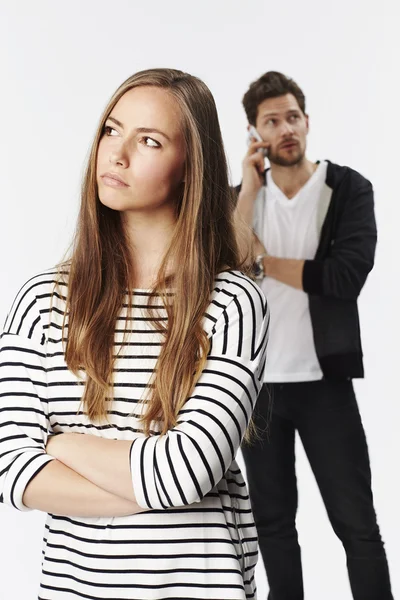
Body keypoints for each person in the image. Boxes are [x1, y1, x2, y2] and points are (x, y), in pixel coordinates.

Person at [0, 68, 269, 600]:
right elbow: (11, 471)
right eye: (111, 131)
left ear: (191, 169)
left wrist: (59, 444)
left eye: (149, 140)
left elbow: (187, 474)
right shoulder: (41, 301)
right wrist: (151, 481)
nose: (117, 154)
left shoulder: (233, 302)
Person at [234, 71, 393, 600]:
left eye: (292, 117)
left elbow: (344, 277)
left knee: (357, 526)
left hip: (325, 383)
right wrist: (249, 187)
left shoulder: (347, 189)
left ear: (307, 121)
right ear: (255, 132)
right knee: (274, 530)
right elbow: (226, 268)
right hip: (257, 391)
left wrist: (264, 261)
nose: (285, 129)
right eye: (271, 121)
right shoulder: (240, 200)